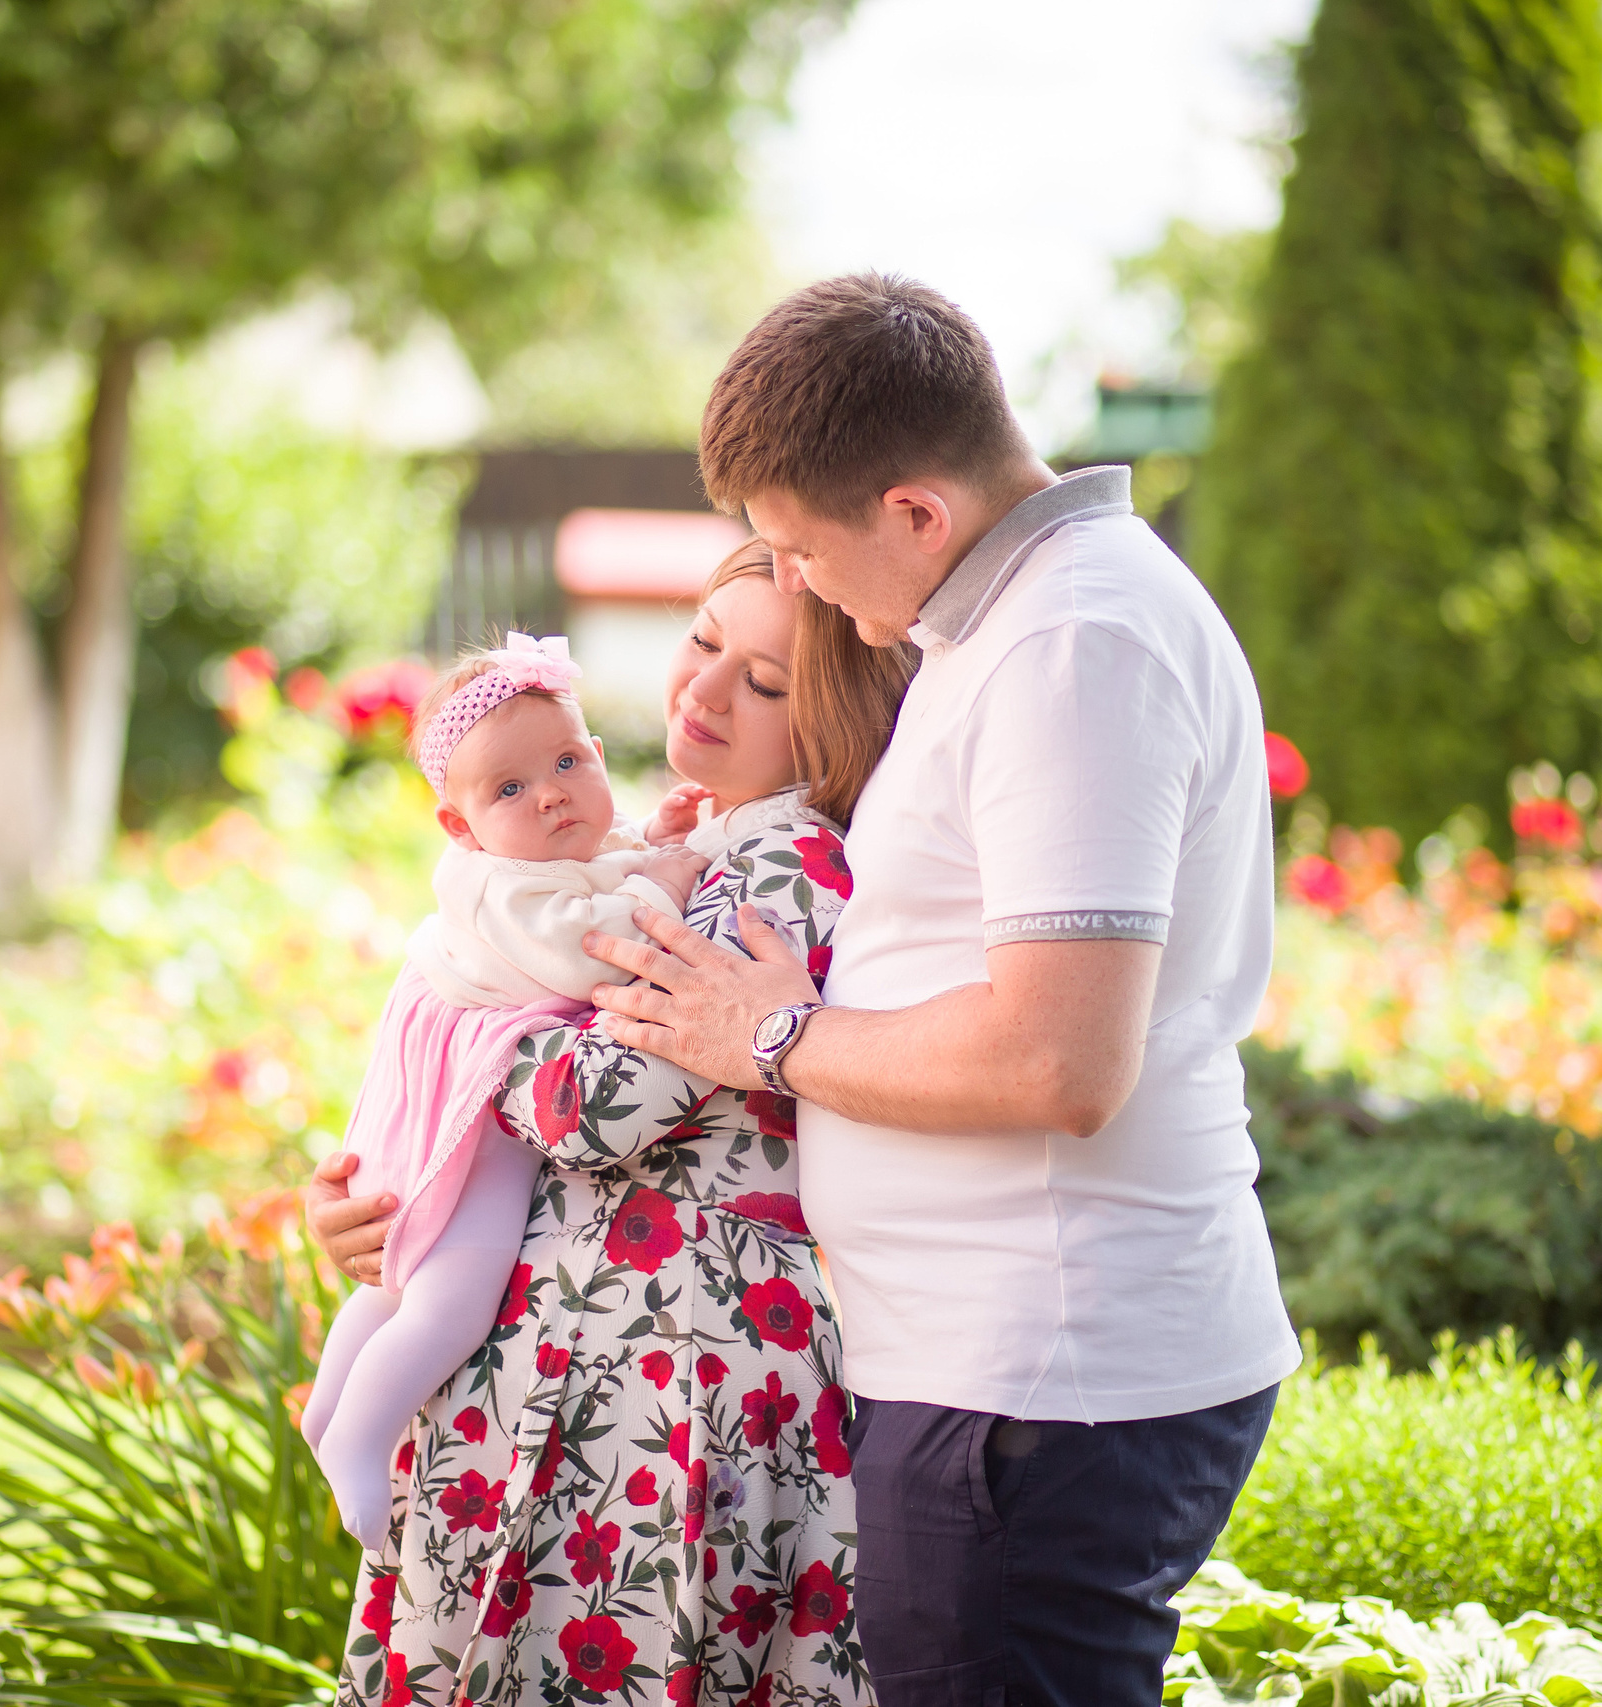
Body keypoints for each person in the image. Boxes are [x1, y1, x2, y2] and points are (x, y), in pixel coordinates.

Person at [579, 274, 1300, 1706]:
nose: (798, 584)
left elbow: (1058, 1062)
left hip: (1043, 1384)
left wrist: (769, 1031)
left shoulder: (1072, 641)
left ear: (915, 509)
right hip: (1008, 1375)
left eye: (800, 546)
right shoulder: (1020, 622)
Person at [310, 542, 914, 1707]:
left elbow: (599, 1106)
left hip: (672, 1354)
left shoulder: (785, 859)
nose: (704, 690)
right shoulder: (682, 845)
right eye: (702, 641)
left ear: (834, 717)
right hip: (581, 1341)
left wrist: (459, 1035)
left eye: (767, 682)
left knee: (629, 1650)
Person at [300, 633, 713, 1547]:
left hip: (469, 1062)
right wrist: (669, 884)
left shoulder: (541, 852)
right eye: (511, 790)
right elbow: (583, 943)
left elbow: (595, 866)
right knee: (457, 1277)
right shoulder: (492, 885)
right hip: (471, 1086)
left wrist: (657, 836)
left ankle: (329, 1407)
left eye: (568, 761)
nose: (554, 793)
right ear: (461, 825)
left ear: (599, 756)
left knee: (407, 1259)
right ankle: (360, 1436)